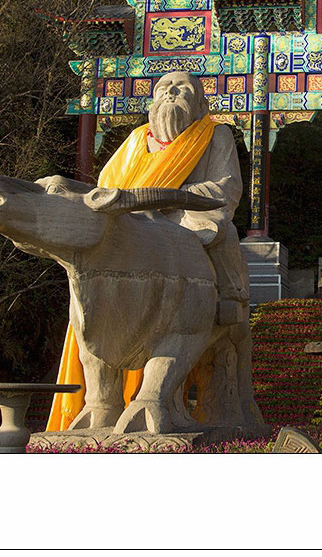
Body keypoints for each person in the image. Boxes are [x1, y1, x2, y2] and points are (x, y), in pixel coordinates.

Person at [47, 71, 248, 431]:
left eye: (182, 88)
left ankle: (228, 297)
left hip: (186, 218)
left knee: (220, 230)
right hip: (133, 226)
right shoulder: (136, 140)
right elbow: (107, 188)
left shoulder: (216, 134)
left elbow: (226, 189)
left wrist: (168, 199)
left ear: (201, 104)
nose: (171, 92)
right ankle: (101, 401)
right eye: (163, 88)